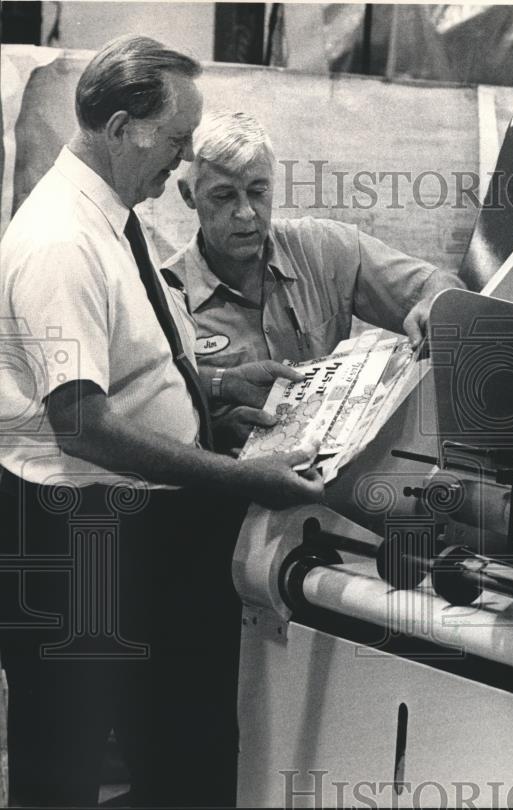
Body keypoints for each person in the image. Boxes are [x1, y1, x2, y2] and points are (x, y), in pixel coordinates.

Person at [0, 36, 324, 806]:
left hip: (132, 531)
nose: (182, 164)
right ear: (120, 129)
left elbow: (121, 366)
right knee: (67, 769)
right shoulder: (62, 241)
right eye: (177, 142)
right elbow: (83, 424)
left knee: (180, 746)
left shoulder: (112, 213)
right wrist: (241, 479)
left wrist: (211, 384)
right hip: (84, 539)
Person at [164, 110, 466, 448]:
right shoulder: (166, 295)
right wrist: (216, 430)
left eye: (258, 191)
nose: (246, 212)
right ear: (188, 194)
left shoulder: (324, 248)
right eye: (224, 196)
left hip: (338, 465)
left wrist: (436, 303)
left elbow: (441, 284)